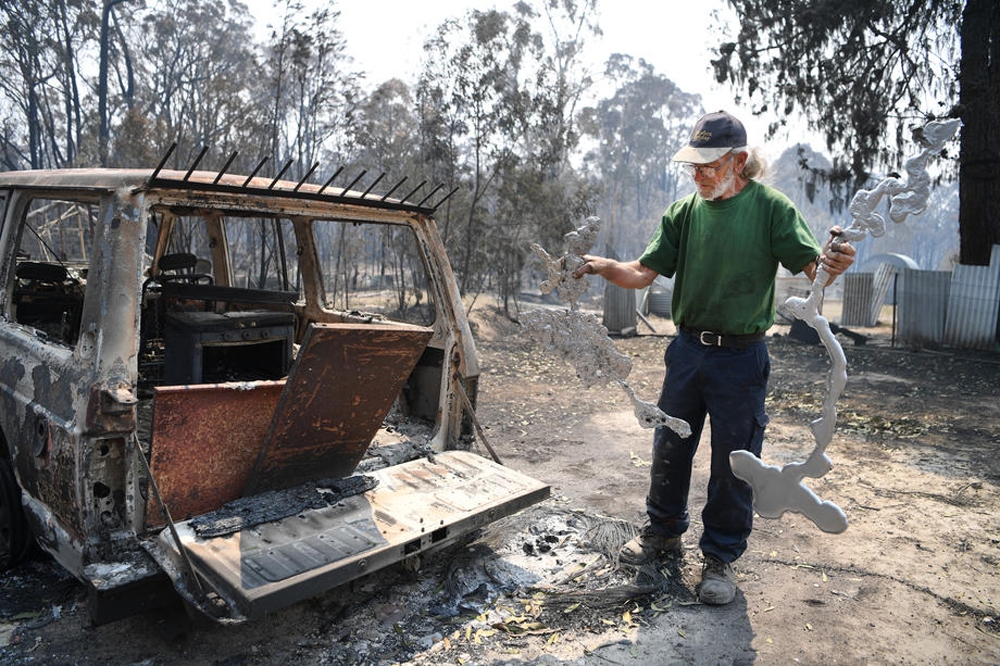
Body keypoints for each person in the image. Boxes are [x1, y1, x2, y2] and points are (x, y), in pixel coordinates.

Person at [573, 110, 855, 605]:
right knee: (669, 446)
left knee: (735, 462)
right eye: (693, 166)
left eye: (708, 165)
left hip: (741, 359)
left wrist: (833, 264)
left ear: (739, 161)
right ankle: (661, 536)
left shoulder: (771, 209)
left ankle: (720, 558)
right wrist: (603, 267)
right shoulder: (683, 214)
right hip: (686, 352)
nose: (698, 174)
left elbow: (815, 273)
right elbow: (642, 273)